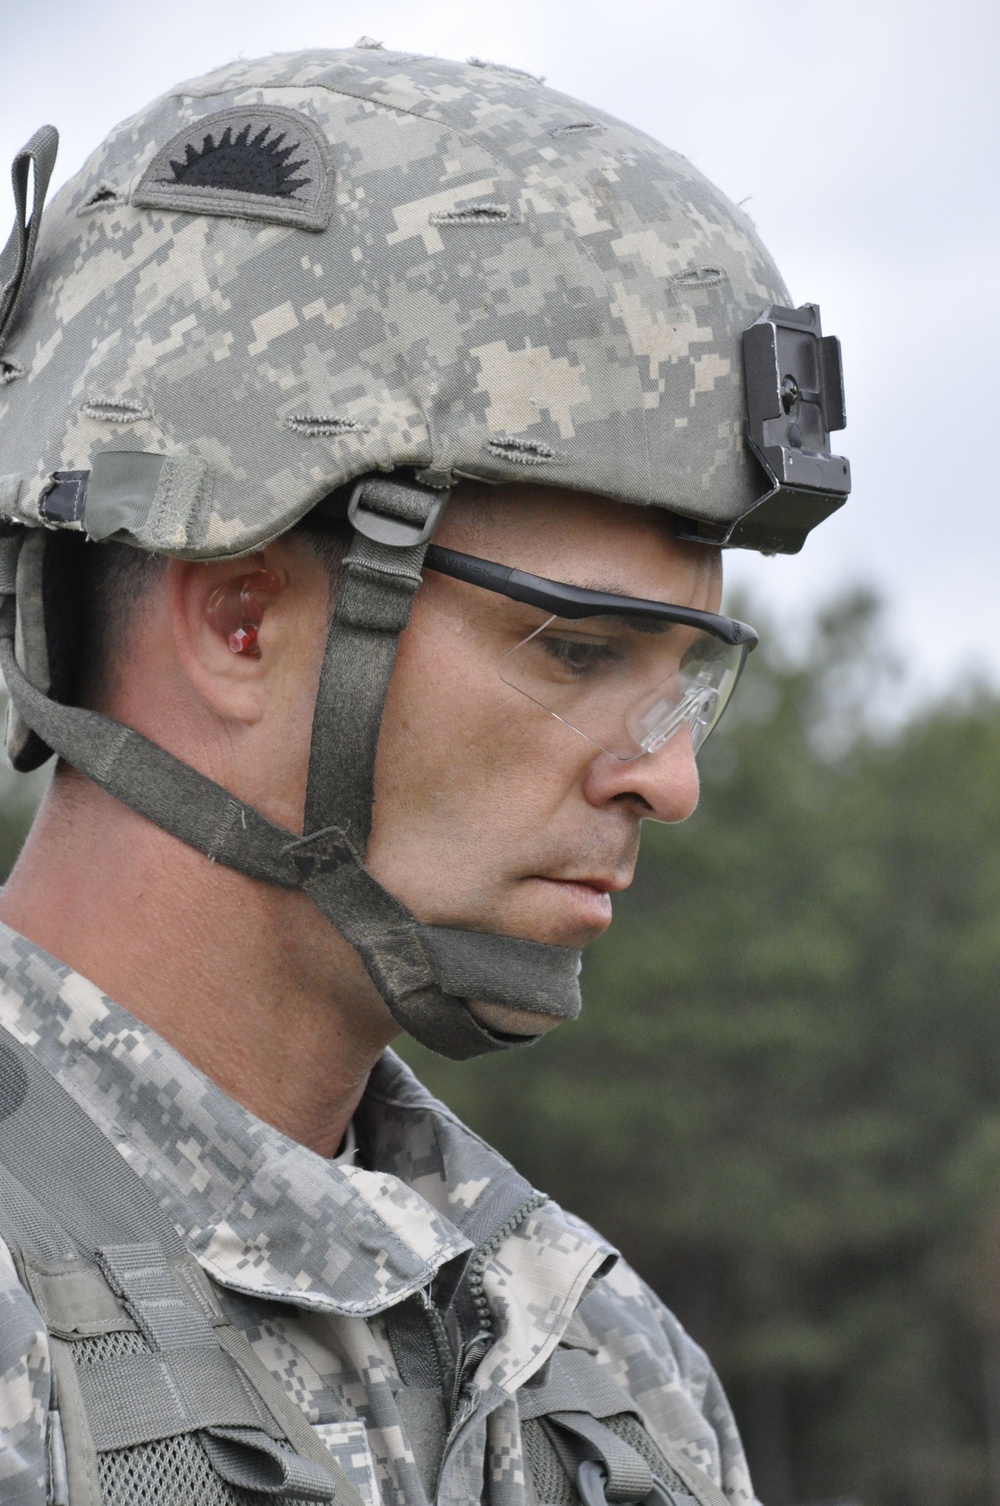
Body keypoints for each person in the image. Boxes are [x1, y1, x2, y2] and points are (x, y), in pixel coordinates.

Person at [0, 43, 849, 1506]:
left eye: (687, 677)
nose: (671, 785)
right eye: (579, 650)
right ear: (239, 615)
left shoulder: (608, 1380)